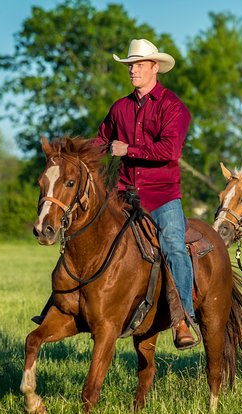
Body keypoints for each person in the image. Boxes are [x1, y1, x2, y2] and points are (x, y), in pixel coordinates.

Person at [94, 38, 197, 348]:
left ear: (155, 68)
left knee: (174, 247)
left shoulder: (173, 107)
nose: (132, 70)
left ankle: (182, 319)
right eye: (129, 66)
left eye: (138, 65)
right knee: (88, 236)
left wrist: (129, 149)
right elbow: (100, 142)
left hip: (161, 194)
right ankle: (67, 305)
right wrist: (70, 155)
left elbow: (170, 150)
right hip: (123, 192)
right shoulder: (119, 108)